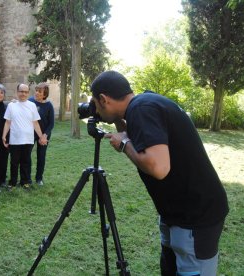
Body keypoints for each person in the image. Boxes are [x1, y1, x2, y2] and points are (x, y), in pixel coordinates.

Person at [90, 70, 229, 276]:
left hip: (196, 217)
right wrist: (120, 125)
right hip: (177, 212)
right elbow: (139, 135)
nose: (95, 110)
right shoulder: (145, 103)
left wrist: (124, 145)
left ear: (103, 99)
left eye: (95, 103)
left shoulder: (141, 109)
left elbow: (158, 168)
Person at [2, 83, 47, 189]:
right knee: (14, 162)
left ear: (28, 93)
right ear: (17, 92)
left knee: (25, 162)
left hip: (28, 139)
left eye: (26, 92)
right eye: (21, 91)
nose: (23, 94)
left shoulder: (32, 106)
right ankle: (12, 182)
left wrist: (41, 137)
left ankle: (25, 182)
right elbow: (7, 122)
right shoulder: (11, 105)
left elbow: (35, 123)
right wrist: (4, 136)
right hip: (15, 139)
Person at [29, 82, 55, 186]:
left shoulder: (49, 106)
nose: (36, 93)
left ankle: (39, 178)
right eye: (36, 90)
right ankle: (26, 177)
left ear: (44, 94)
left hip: (44, 135)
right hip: (30, 133)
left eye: (39, 91)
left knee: (41, 156)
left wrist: (44, 135)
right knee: (27, 155)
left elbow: (51, 123)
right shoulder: (30, 101)